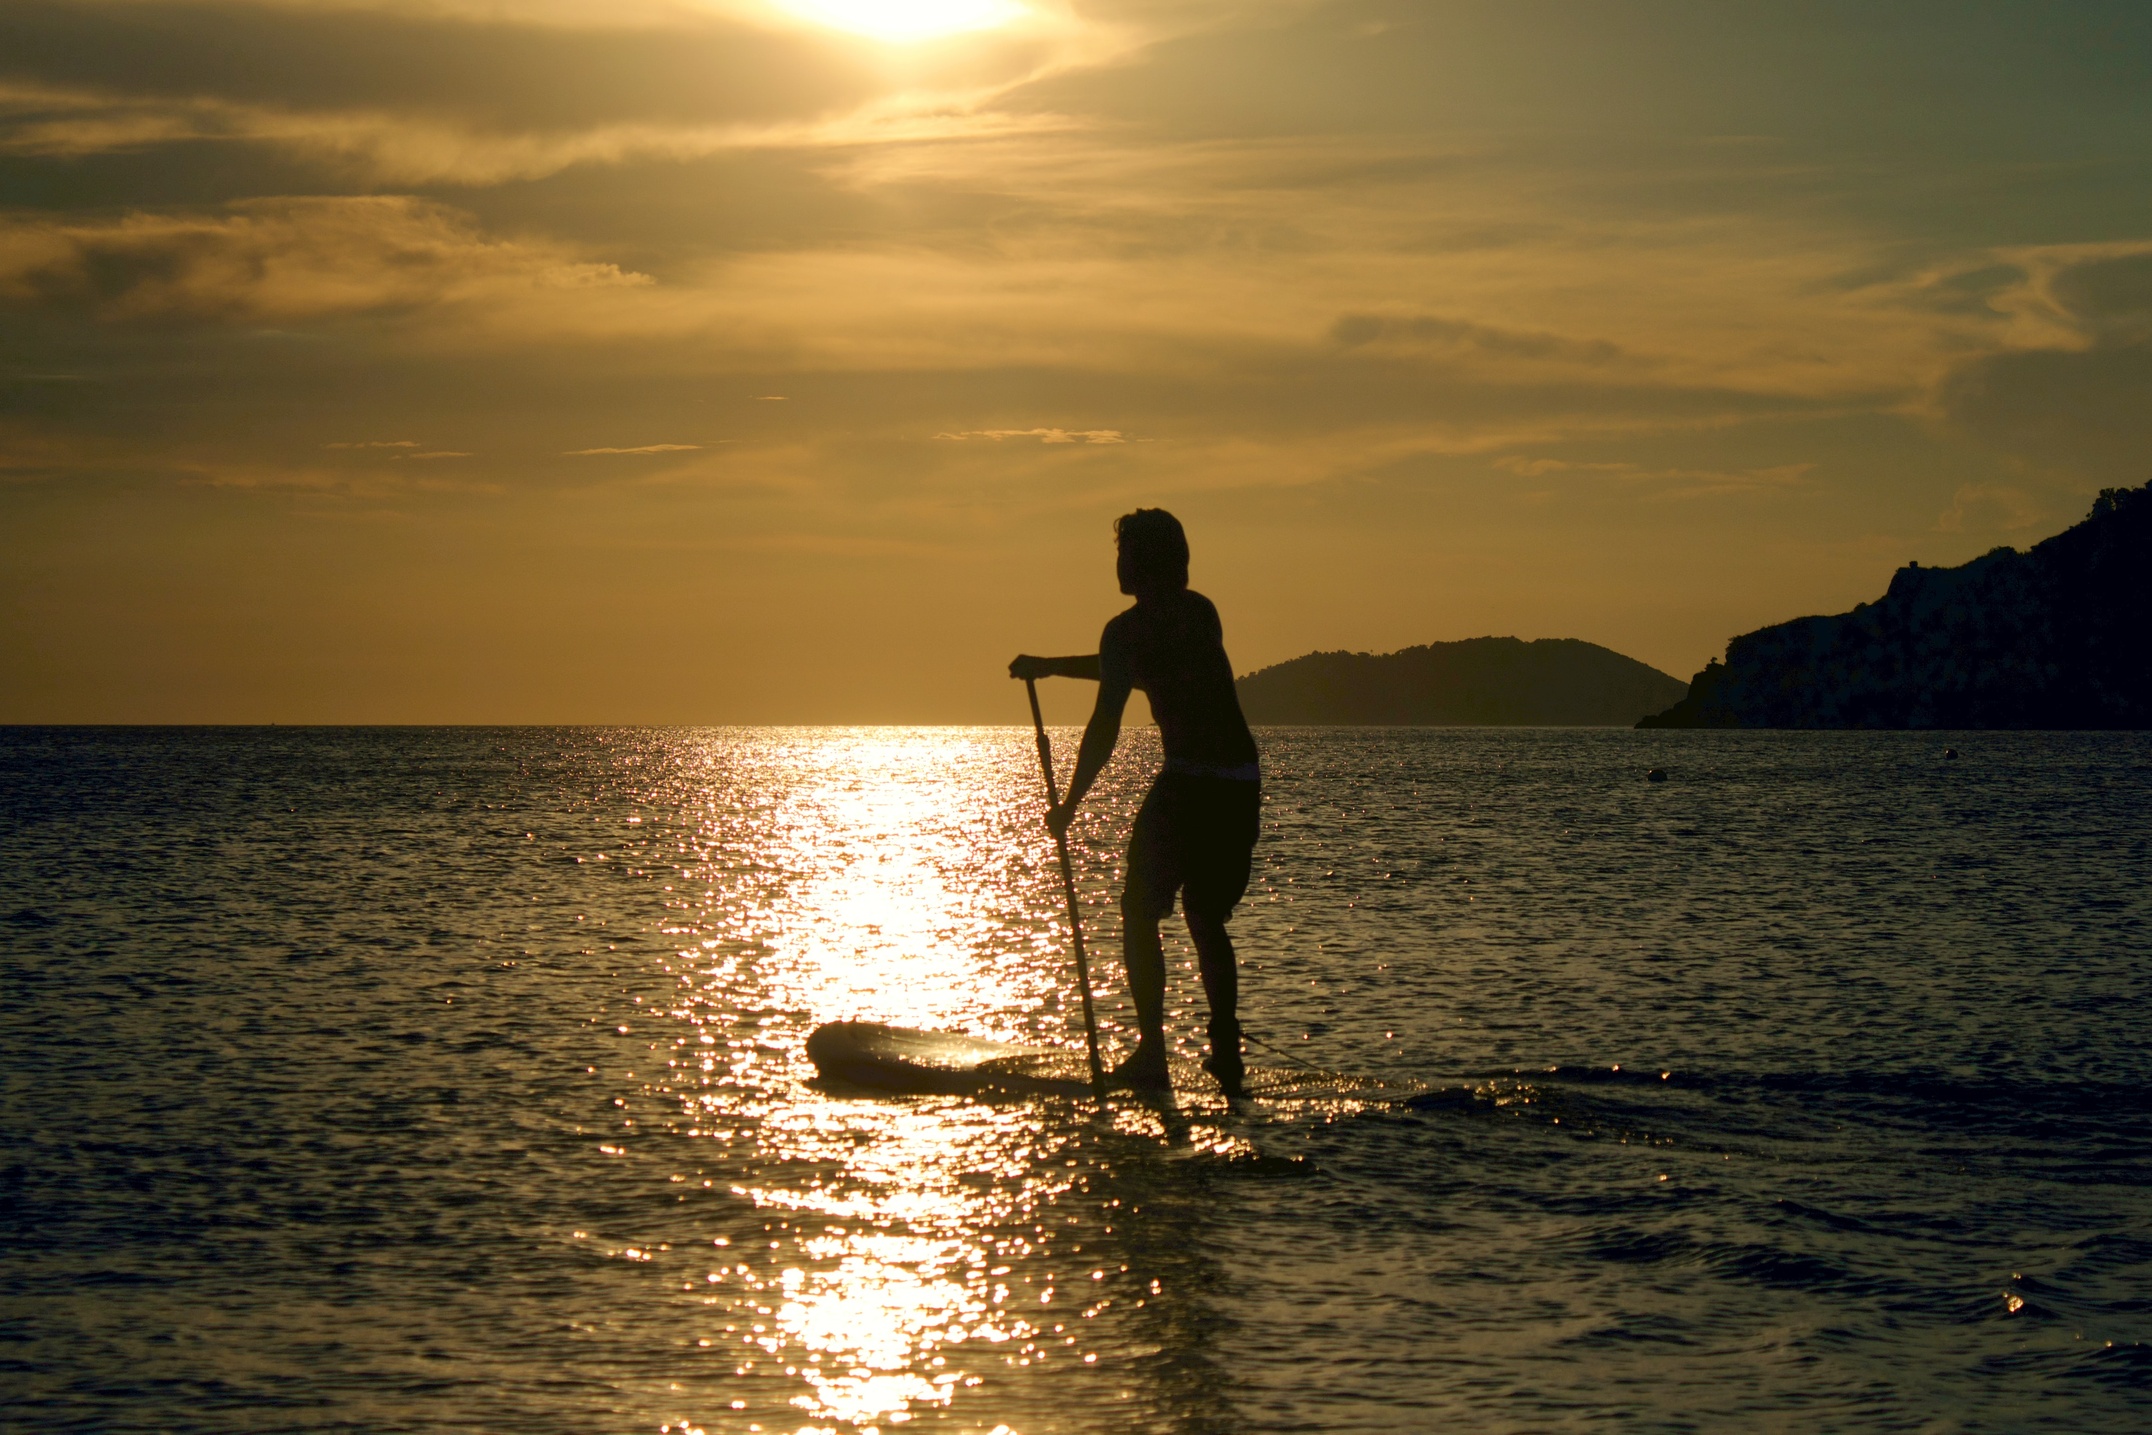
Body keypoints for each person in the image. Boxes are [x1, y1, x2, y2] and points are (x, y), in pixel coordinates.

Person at [1009, 509, 1262, 1096]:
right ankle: (1226, 1050)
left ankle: (1153, 1055)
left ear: (1143, 563)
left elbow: (1107, 719)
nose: (1117, 565)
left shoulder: (1126, 632)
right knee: (1203, 914)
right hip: (1241, 781)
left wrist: (1071, 803)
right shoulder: (1202, 612)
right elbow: (1133, 669)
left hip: (1192, 784)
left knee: (1139, 908)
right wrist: (1050, 666)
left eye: (1125, 555)